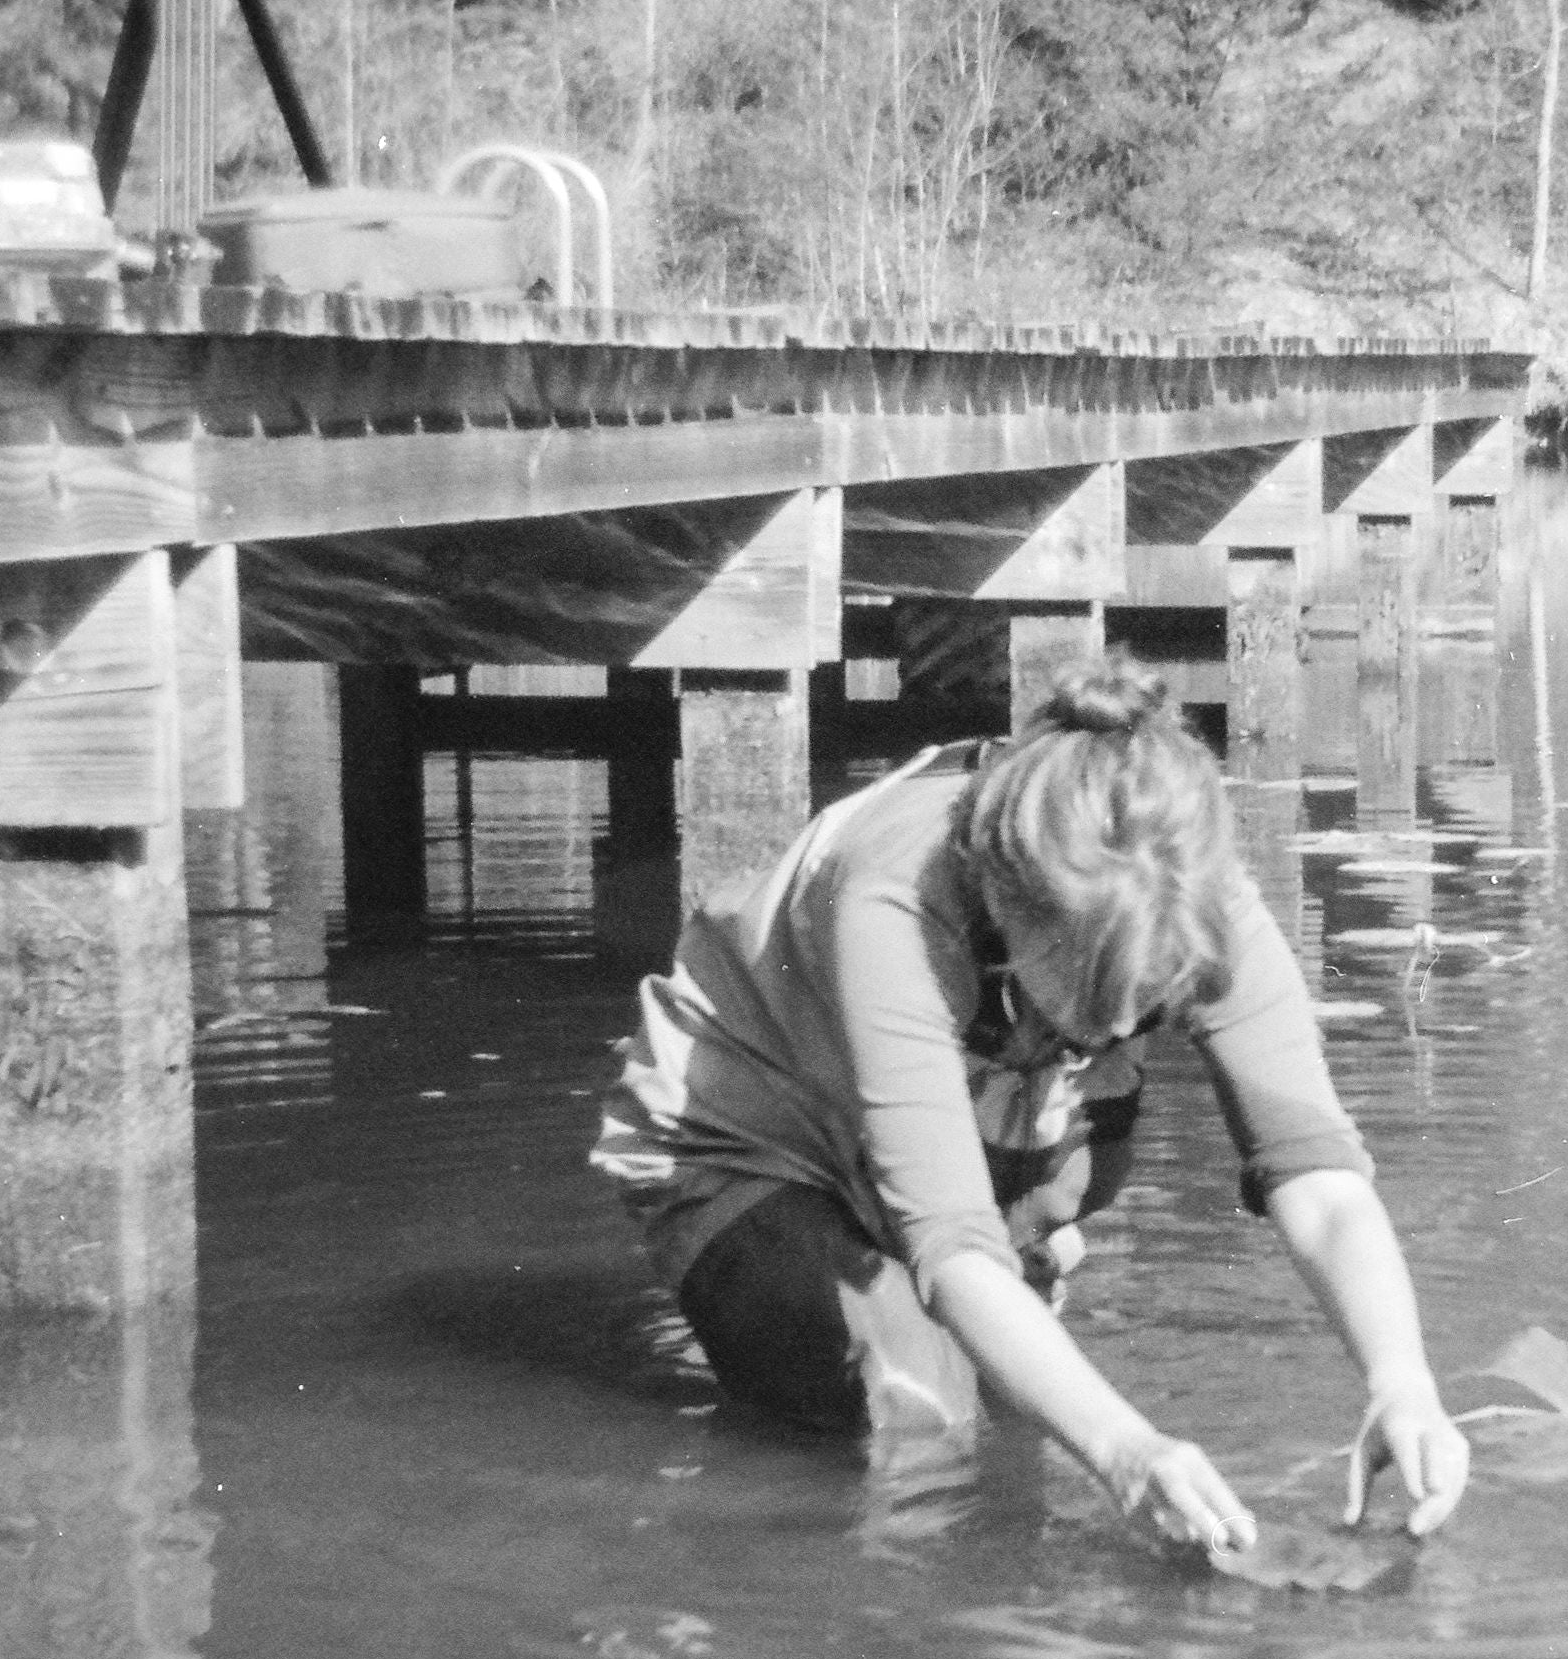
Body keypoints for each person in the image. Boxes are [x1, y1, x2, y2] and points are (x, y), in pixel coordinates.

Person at [594, 664, 1469, 1553]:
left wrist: (1402, 1382)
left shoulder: (1189, 890)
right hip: (754, 1130)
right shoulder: (894, 900)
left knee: (1015, 1418)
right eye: (1093, 997)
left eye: (1151, 997)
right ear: (1013, 912)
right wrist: (1127, 1451)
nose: (1124, 1027)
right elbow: (952, 1247)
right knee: (911, 1408)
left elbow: (1317, 1178)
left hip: (956, 1120)